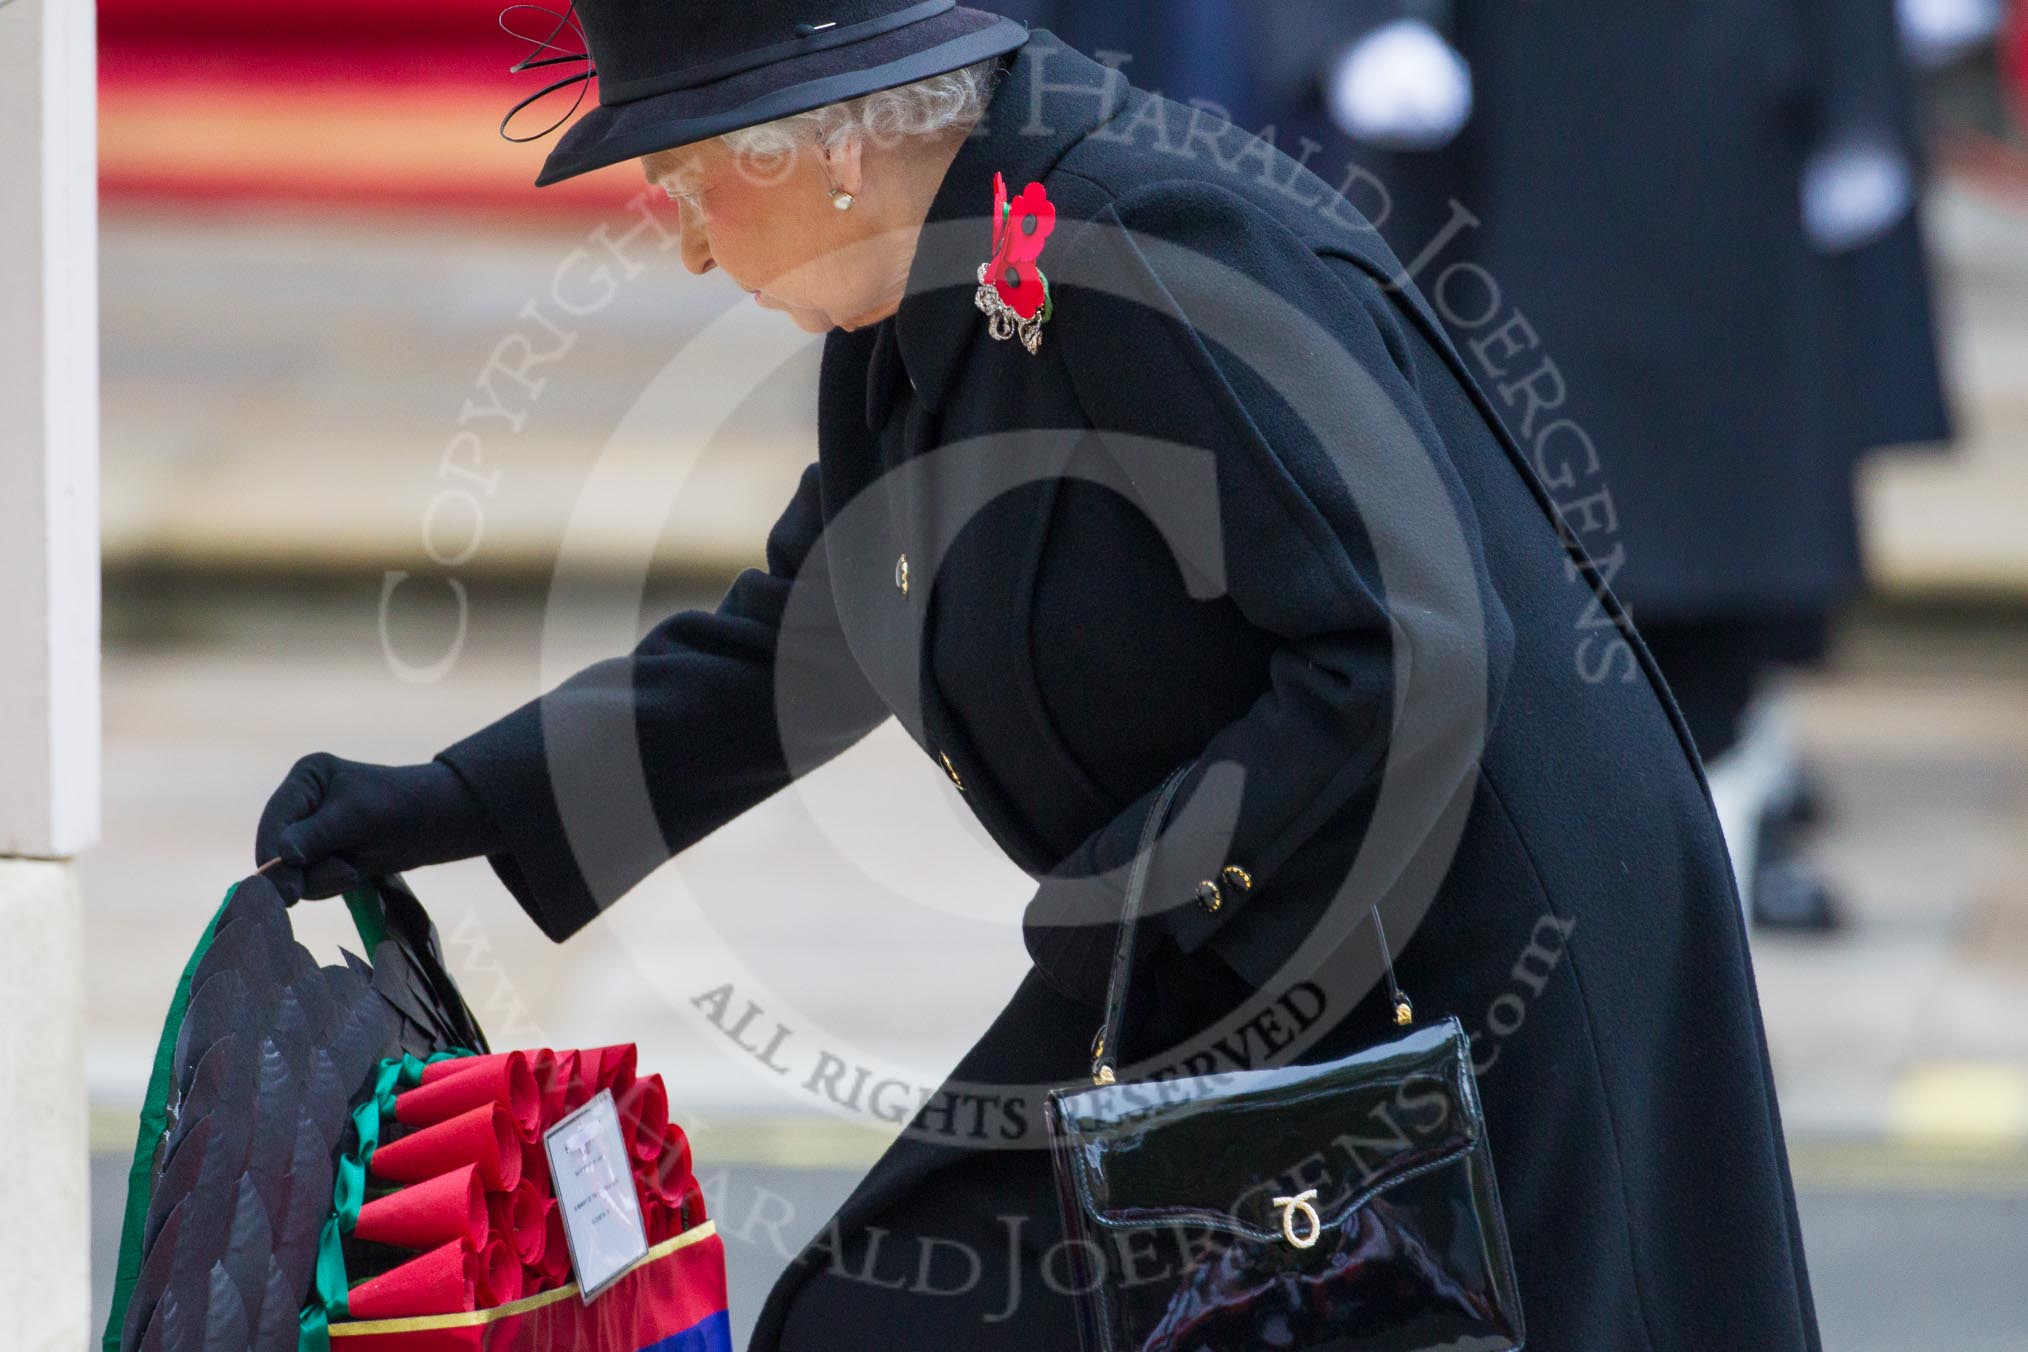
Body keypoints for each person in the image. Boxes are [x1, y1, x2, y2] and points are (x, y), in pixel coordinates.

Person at [256, 4, 1823, 1347]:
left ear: (828, 145)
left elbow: (1404, 644)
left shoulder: (1141, 241)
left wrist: (1129, 896)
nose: (675, 239)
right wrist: (450, 805)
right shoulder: (913, 290)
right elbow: (804, 640)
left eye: (682, 178)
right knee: (876, 1312)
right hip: (1237, 928)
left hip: (1478, 959)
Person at [1253, 0, 1955, 931]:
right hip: (1509, 95)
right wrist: (1358, 24)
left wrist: (1859, 85)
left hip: (1726, 96)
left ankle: (1709, 843)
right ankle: (1546, 848)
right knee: (1518, 493)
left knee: (1719, 499)